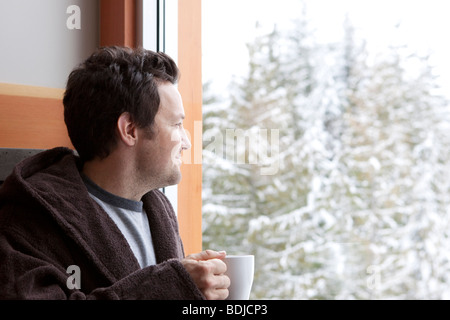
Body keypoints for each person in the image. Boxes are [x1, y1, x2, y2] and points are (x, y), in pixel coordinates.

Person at [0, 46, 230, 300]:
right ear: (129, 130)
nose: (186, 142)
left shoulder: (157, 210)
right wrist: (171, 287)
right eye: (177, 125)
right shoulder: (26, 221)